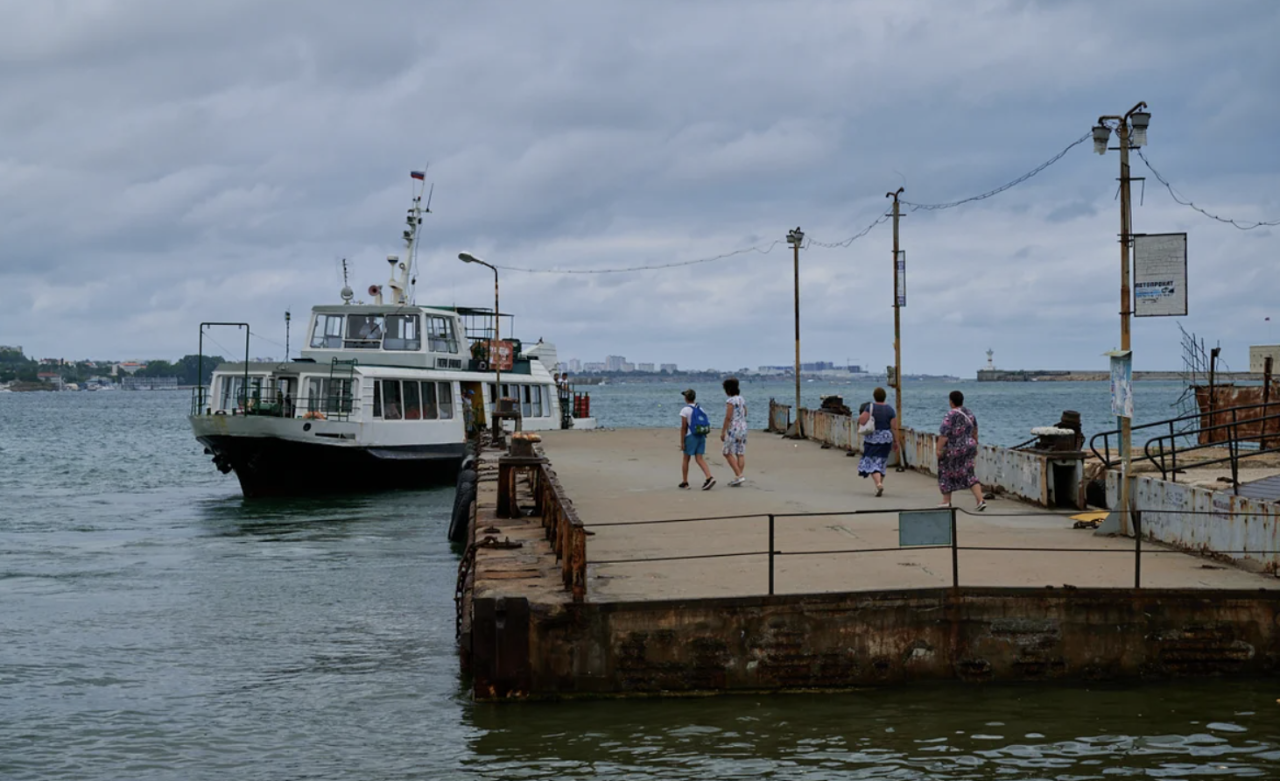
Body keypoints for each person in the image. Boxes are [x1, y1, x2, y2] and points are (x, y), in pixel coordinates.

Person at [936, 390, 986, 510]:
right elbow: (975, 431)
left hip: (954, 447)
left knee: (945, 470)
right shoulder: (969, 413)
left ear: (951, 402)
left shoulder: (950, 415)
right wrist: (975, 445)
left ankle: (946, 500)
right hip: (969, 445)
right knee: (969, 473)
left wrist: (938, 449)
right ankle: (980, 500)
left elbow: (944, 434)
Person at [856, 386, 898, 496]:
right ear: (884, 397)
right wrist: (896, 442)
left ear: (874, 397)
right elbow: (894, 427)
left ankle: (879, 484)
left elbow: (861, 420)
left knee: (871, 462)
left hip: (872, 439)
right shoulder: (890, 409)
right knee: (882, 462)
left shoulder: (870, 408)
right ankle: (879, 485)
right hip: (886, 438)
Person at [679, 389, 715, 490]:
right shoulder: (700, 409)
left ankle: (685, 482)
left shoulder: (685, 410)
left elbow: (683, 427)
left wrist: (682, 442)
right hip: (701, 435)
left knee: (686, 458)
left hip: (690, 436)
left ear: (686, 398)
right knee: (699, 458)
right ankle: (709, 477)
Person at [720, 377, 748, 486]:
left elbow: (728, 417)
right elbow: (745, 412)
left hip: (734, 427)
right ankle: (738, 476)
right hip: (743, 426)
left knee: (726, 452)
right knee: (740, 452)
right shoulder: (741, 399)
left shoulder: (730, 401)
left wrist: (723, 431)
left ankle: (739, 475)